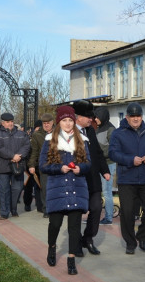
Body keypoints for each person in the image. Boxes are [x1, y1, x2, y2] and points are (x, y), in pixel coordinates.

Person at [39, 105, 91, 276]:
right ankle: (52, 247)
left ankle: (71, 260)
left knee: (74, 228)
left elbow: (89, 164)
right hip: (57, 189)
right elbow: (43, 165)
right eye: (64, 120)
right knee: (54, 224)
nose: (68, 124)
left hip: (77, 188)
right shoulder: (49, 140)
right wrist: (59, 168)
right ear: (59, 122)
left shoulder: (82, 139)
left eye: (70, 120)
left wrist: (80, 168)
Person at [109, 102, 145, 255]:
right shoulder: (118, 133)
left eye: (138, 115)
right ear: (127, 117)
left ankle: (142, 237)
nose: (136, 118)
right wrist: (130, 160)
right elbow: (113, 153)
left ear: (141, 116)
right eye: (132, 116)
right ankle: (130, 242)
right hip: (126, 179)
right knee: (127, 212)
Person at [73, 100, 110, 256]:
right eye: (88, 117)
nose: (91, 119)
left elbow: (98, 153)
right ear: (78, 117)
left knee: (96, 208)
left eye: (92, 116)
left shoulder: (91, 131)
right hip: (76, 179)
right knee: (75, 214)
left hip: (92, 178)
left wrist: (105, 171)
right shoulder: (68, 131)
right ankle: (74, 244)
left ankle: (88, 239)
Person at [0, 112, 30, 220]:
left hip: (18, 165)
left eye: (12, 121)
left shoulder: (21, 134)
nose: (10, 124)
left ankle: (13, 209)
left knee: (17, 188)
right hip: (3, 166)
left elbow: (27, 145)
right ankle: (4, 213)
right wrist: (12, 156)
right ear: (3, 123)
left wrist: (19, 156)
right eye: (8, 122)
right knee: (4, 190)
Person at [28, 113, 55, 218]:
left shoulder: (59, 132)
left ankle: (57, 208)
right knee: (45, 188)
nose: (46, 125)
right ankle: (46, 210)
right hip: (44, 165)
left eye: (48, 123)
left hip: (58, 165)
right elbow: (34, 151)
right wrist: (31, 165)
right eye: (44, 123)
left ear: (52, 123)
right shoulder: (37, 135)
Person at [94, 106, 117, 225]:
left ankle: (108, 218)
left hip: (108, 164)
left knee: (107, 191)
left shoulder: (110, 130)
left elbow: (113, 149)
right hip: (99, 164)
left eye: (97, 117)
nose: (95, 119)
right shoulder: (98, 129)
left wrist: (100, 154)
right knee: (100, 191)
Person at [23, 119, 45, 213]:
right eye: (37, 127)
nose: (39, 129)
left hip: (38, 165)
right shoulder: (28, 138)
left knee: (39, 186)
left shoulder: (44, 137)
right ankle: (27, 204)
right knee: (28, 186)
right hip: (29, 165)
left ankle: (39, 205)